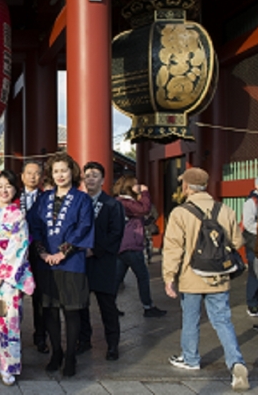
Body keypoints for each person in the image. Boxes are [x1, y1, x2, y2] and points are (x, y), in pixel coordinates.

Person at [162, 167, 249, 392]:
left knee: (190, 318)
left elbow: (173, 249)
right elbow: (238, 242)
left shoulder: (180, 213)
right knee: (222, 320)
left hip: (191, 276)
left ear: (187, 187)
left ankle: (191, 359)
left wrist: (168, 277)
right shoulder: (225, 210)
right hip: (218, 276)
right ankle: (237, 362)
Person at [27, 152, 94, 377]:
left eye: (64, 170)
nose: (60, 175)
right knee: (50, 310)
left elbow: (84, 227)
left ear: (72, 172)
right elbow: (34, 226)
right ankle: (56, 352)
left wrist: (63, 252)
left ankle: (71, 356)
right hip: (46, 263)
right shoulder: (43, 198)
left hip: (72, 263)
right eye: (56, 171)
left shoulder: (82, 199)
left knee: (72, 310)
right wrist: (44, 253)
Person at [0, 169, 35, 386]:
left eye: (8, 186)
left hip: (8, 278)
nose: (4, 190)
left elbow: (17, 248)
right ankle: (2, 362)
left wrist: (1, 276)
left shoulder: (18, 215)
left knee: (10, 320)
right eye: (0, 186)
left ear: (14, 190)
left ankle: (11, 365)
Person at [78, 162, 125, 361]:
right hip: (80, 262)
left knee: (107, 305)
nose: (90, 179)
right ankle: (84, 340)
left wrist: (95, 250)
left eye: (95, 175)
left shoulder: (112, 204)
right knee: (81, 304)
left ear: (103, 180)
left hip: (103, 261)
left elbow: (116, 234)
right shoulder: (78, 202)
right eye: (87, 175)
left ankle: (112, 344)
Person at [114, 175, 167, 318]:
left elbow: (139, 218)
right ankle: (148, 307)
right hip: (130, 246)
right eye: (136, 184)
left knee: (117, 278)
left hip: (123, 246)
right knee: (142, 276)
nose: (139, 186)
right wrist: (145, 192)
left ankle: (110, 306)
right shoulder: (125, 202)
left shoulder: (122, 202)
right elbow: (143, 209)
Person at [20, 160, 49, 354]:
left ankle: (41, 336)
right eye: (28, 173)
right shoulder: (11, 195)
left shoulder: (47, 198)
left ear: (42, 177)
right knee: (13, 300)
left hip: (39, 254)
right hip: (16, 258)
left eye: (36, 173)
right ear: (22, 176)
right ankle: (12, 337)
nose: (32, 177)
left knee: (41, 299)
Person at [240, 176, 258, 316]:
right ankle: (252, 304)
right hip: (254, 242)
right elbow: (248, 224)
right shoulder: (251, 202)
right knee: (254, 273)